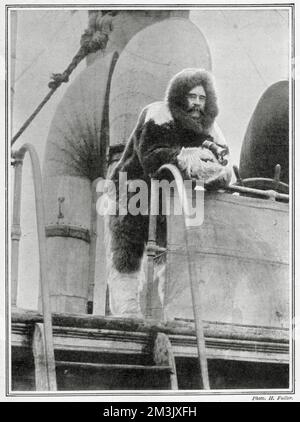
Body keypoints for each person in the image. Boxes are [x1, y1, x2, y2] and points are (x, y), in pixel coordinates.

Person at [105, 68, 231, 318]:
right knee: (126, 254)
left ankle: (177, 317)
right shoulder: (158, 114)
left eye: (202, 98)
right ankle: (126, 315)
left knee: (172, 255)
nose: (196, 103)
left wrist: (214, 169)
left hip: (167, 199)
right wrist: (184, 157)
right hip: (132, 190)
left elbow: (224, 167)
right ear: (180, 96)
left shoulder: (210, 128)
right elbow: (151, 157)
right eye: (192, 96)